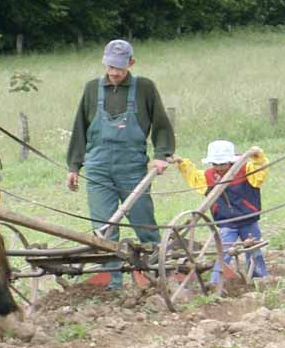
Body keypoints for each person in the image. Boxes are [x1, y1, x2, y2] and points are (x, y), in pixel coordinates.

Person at [66, 39, 175, 289]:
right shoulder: (92, 89)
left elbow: (161, 125)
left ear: (131, 64)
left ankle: (158, 273)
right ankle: (113, 284)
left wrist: (161, 154)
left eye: (119, 67)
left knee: (143, 222)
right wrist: (74, 167)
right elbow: (79, 129)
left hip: (132, 168)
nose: (114, 73)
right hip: (98, 168)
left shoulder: (145, 88)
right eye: (110, 66)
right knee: (103, 228)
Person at [173, 140, 269, 286]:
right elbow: (193, 176)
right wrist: (182, 164)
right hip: (226, 222)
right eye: (215, 164)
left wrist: (258, 157)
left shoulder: (246, 170)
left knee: (254, 251)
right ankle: (215, 282)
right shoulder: (209, 176)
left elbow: (260, 170)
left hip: (248, 219)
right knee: (223, 252)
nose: (219, 168)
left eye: (222, 164)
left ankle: (260, 278)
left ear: (231, 161)